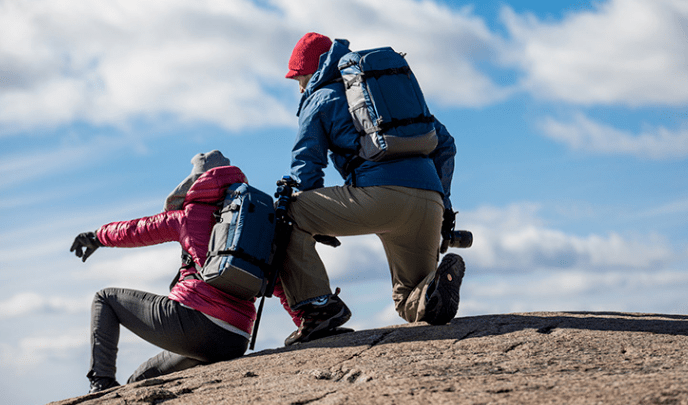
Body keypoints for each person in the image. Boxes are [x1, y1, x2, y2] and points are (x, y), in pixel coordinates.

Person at [277, 33, 466, 346]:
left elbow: (306, 164)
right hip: (429, 203)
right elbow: (445, 144)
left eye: (300, 78)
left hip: (378, 198)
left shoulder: (320, 97)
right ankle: (435, 285)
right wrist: (443, 204)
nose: (299, 87)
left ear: (312, 72)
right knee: (410, 300)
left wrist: (315, 213)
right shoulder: (387, 95)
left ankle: (319, 308)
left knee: (288, 213)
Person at [70, 150, 295, 393]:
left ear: (196, 181)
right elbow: (277, 281)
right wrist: (304, 322)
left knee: (106, 299)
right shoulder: (254, 221)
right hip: (236, 337)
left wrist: (97, 237)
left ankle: (101, 382)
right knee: (141, 379)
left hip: (194, 324)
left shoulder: (187, 216)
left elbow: (137, 229)